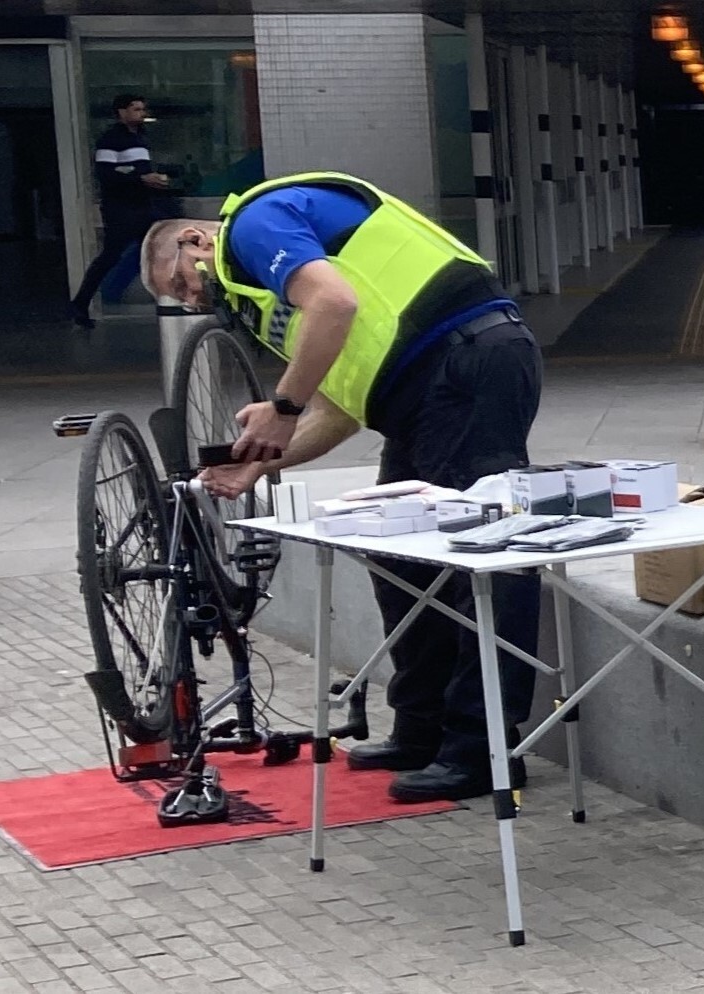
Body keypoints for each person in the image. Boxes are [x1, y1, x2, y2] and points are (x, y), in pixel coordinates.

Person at [139, 172, 543, 803]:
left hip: (468, 361)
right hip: (422, 391)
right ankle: (423, 728)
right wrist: (261, 463)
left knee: (482, 559)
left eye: (183, 285)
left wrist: (281, 406)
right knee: (398, 555)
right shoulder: (271, 288)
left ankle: (485, 749)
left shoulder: (254, 225)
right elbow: (338, 408)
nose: (193, 301)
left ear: (196, 242)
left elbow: (336, 306)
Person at [69, 94, 169, 328]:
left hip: (142, 205)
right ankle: (81, 302)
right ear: (122, 112)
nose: (141, 114)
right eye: (135, 109)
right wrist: (140, 178)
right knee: (112, 255)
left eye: (143, 109)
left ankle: (165, 299)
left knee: (155, 251)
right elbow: (106, 174)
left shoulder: (142, 138)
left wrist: (151, 181)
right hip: (120, 208)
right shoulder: (111, 139)